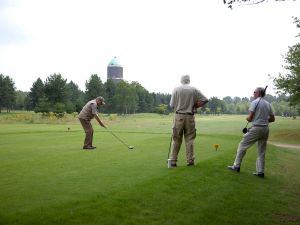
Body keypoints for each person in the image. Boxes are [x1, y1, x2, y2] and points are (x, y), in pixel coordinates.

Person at [228, 87, 275, 177]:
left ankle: (236, 166)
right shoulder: (268, 104)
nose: (253, 93)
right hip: (265, 129)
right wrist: (263, 120)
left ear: (259, 93)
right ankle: (260, 172)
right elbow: (272, 119)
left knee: (242, 145)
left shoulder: (254, 102)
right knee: (261, 151)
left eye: (254, 92)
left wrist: (249, 118)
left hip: (256, 128)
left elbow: (249, 118)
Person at [169, 75, 208, 167]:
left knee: (176, 139)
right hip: (190, 117)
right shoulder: (194, 89)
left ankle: (173, 161)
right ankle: (190, 161)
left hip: (178, 116)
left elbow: (171, 105)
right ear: (189, 80)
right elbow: (205, 99)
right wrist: (195, 106)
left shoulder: (176, 89)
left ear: (181, 80)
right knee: (189, 139)